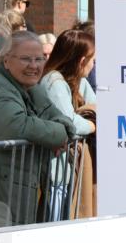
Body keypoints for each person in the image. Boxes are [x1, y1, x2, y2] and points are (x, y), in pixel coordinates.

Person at [0, 31, 75, 226]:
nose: (34, 65)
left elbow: (54, 114)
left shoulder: (29, 85)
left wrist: (61, 129)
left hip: (8, 189)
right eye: (25, 59)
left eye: (39, 59)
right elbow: (14, 125)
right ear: (6, 61)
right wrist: (59, 134)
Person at [38, 29, 97, 217]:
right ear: (82, 61)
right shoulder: (53, 81)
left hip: (69, 170)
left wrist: (89, 118)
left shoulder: (79, 81)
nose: (94, 64)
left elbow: (95, 108)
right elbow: (69, 122)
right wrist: (92, 126)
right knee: (55, 225)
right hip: (55, 173)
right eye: (93, 59)